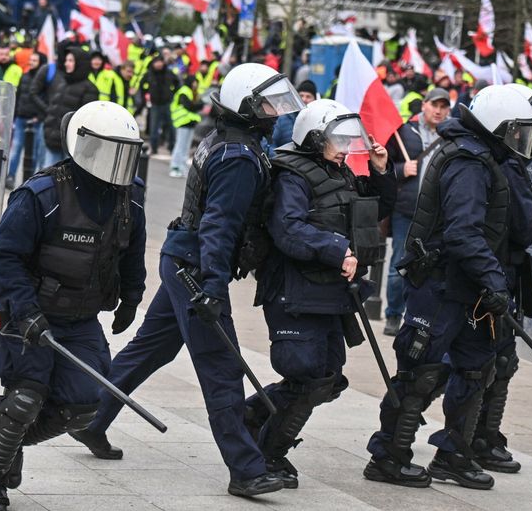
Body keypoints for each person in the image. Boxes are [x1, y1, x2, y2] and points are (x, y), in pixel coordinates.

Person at [72, 64, 305, 497]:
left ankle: (91, 419)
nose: (277, 112)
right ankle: (247, 469)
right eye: (269, 104)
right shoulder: (238, 157)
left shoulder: (234, 141)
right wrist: (213, 288)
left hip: (183, 258)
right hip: (196, 267)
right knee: (222, 369)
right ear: (248, 106)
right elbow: (219, 225)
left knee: (147, 350)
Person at [0, 101, 146, 510]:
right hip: (27, 315)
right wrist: (27, 311)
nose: (119, 162)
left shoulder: (128, 199)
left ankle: (1, 434)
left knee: (85, 404)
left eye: (126, 151)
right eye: (110, 150)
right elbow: (3, 256)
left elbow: (131, 254)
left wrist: (131, 298)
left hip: (80, 318)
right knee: (27, 398)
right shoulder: (43, 193)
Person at [364, 86, 532, 490]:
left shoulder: (484, 156)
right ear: (499, 127)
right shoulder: (468, 160)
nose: (521, 141)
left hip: (471, 288)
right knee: (421, 372)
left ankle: (454, 455)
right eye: (518, 131)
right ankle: (389, 455)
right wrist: (494, 279)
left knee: (476, 370)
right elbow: (463, 232)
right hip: (443, 284)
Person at [245, 98, 394, 488]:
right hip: (294, 291)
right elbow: (288, 230)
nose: (345, 147)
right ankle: (267, 455)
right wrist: (335, 250)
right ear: (313, 138)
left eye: (348, 139)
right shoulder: (292, 175)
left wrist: (380, 172)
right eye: (337, 139)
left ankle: (249, 417)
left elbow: (371, 212)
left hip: (328, 292)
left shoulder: (339, 172)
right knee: (309, 376)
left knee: (327, 377)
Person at [470, 83, 532, 473]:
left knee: (500, 361)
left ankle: (483, 437)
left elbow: (521, 216)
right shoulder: (503, 166)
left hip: (501, 272)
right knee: (483, 364)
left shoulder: (508, 164)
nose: (531, 138)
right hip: (491, 274)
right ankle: (474, 440)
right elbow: (525, 228)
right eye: (526, 129)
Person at [384, 88, 451, 336]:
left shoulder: (450, 137)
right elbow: (383, 166)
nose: (438, 110)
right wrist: (402, 169)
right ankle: (393, 314)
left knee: (427, 269)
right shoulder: (403, 132)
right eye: (435, 105)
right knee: (397, 265)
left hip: (436, 215)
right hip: (406, 210)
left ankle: (416, 317)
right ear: (424, 105)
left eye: (444, 106)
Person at [38, 46, 98, 169]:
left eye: (70, 61)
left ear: (80, 63)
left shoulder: (90, 89)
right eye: (66, 60)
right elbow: (54, 109)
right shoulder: (63, 83)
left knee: (65, 183)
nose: (66, 64)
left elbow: (86, 122)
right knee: (47, 179)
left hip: (70, 148)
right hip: (52, 142)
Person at [6, 51, 46, 189]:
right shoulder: (24, 76)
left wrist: (40, 117)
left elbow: (46, 101)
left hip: (34, 121)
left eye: (35, 60)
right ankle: (10, 176)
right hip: (21, 118)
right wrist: (15, 114)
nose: (31, 62)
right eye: (31, 60)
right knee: (16, 149)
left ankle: (29, 180)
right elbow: (19, 97)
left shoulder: (44, 80)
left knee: (33, 153)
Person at [269, 79, 316, 154]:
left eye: (308, 96)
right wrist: (278, 160)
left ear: (314, 99)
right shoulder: (283, 119)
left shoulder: (317, 122)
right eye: (301, 95)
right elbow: (269, 143)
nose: (304, 99)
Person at [141, 56, 178, 154]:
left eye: (160, 62)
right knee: (154, 128)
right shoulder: (149, 74)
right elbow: (142, 85)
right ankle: (154, 148)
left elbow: (177, 83)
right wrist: (146, 94)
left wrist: (172, 94)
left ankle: (172, 147)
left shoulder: (169, 73)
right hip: (155, 104)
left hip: (167, 104)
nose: (158, 64)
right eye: (156, 62)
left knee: (171, 127)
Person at [169, 74, 203, 177]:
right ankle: (175, 166)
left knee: (186, 147)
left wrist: (198, 105)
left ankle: (182, 167)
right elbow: (190, 106)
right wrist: (199, 105)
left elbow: (195, 106)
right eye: (194, 82)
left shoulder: (192, 92)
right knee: (180, 145)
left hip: (189, 123)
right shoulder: (184, 91)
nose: (195, 84)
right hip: (183, 122)